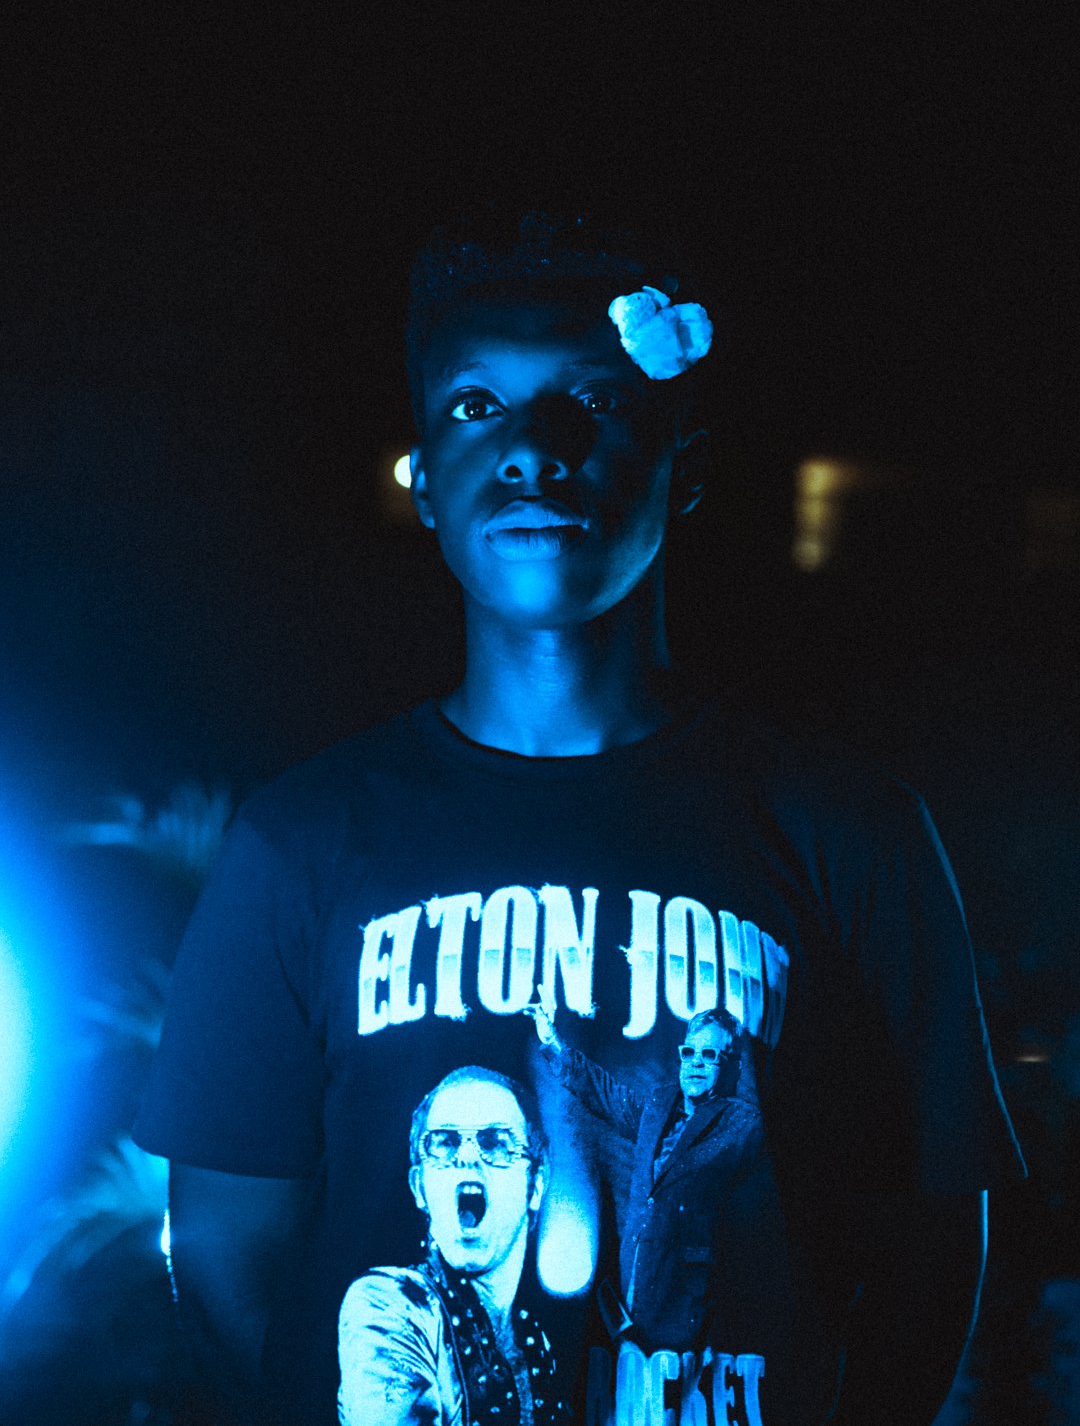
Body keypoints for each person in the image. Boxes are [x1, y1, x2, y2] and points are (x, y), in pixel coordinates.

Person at [134, 207, 1025, 1426]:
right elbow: (229, 1263)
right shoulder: (299, 842)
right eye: (474, 407)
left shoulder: (849, 828)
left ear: (687, 464)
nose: (534, 452)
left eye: (595, 404)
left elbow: (930, 1253)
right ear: (429, 485)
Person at [529, 1002, 780, 1358]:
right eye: (689, 1051)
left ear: (731, 1066)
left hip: (692, 1299)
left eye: (708, 1055)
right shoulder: (660, 1106)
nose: (694, 1062)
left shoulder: (744, 1125)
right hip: (638, 1281)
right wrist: (554, 1043)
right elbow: (606, 1094)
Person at [338, 1065, 567, 1426]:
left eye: (497, 1142)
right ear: (419, 1187)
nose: (468, 1157)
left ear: (536, 1185)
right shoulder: (387, 1304)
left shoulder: (533, 1340)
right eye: (444, 1143)